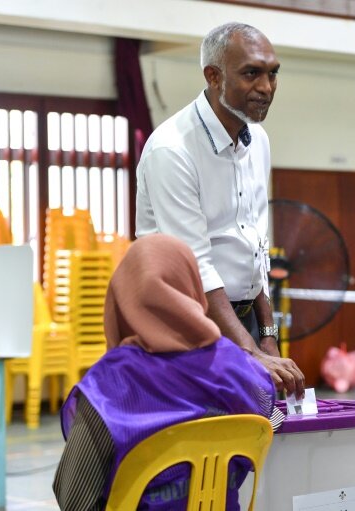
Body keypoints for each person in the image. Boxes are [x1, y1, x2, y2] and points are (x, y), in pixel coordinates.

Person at [53, 234, 283, 510]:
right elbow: (268, 424)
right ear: (193, 288)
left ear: (121, 297)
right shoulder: (238, 367)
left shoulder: (107, 387)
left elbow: (73, 498)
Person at [135, 22, 304, 397]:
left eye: (272, 74)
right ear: (213, 76)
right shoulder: (172, 149)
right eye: (251, 74)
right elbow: (196, 266)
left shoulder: (257, 140)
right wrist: (248, 351)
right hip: (183, 326)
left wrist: (267, 335)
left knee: (260, 427)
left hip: (240, 321)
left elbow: (256, 246)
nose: (266, 87)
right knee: (202, 431)